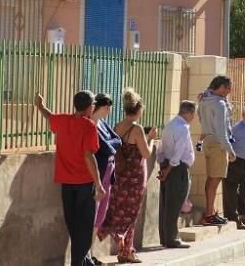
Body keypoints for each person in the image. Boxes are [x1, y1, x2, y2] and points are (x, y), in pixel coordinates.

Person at [34, 91, 104, 266]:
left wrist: (40, 105)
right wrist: (99, 184)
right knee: (85, 228)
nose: (94, 107)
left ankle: (85, 261)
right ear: (89, 107)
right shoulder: (89, 126)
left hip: (66, 184)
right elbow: (89, 156)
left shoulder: (63, 121)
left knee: (74, 225)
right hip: (84, 184)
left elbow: (49, 116)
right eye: (93, 104)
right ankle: (79, 263)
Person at [97, 88, 157, 263]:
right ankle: (127, 251)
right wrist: (151, 138)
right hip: (135, 178)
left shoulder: (117, 126)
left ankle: (124, 247)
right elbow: (146, 154)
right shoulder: (137, 129)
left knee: (118, 210)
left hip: (120, 175)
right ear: (138, 110)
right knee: (131, 214)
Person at [157, 100, 197, 249]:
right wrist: (168, 169)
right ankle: (172, 238)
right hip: (177, 169)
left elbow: (161, 149)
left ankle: (165, 237)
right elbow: (178, 151)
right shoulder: (182, 127)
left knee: (167, 204)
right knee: (174, 204)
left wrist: (163, 166)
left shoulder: (170, 125)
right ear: (190, 113)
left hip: (168, 165)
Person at [198, 75, 235, 226]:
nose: (229, 91)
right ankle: (209, 215)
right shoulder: (219, 104)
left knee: (211, 178)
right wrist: (230, 150)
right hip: (218, 144)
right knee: (215, 180)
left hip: (207, 140)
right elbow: (221, 131)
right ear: (221, 87)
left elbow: (200, 118)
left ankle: (211, 212)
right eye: (228, 88)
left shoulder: (204, 99)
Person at [92, 93, 121, 231]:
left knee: (102, 212)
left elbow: (118, 141)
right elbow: (105, 147)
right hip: (99, 170)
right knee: (95, 210)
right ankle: (87, 251)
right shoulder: (91, 124)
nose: (109, 110)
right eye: (107, 107)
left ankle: (91, 250)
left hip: (109, 172)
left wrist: (111, 146)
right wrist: (111, 146)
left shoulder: (102, 123)